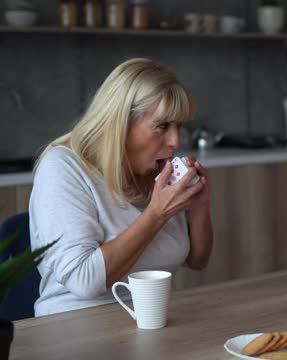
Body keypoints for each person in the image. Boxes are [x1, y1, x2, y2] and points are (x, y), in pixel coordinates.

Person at [29, 58, 213, 316]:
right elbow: (84, 281)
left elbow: (197, 260)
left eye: (179, 126)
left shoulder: (156, 171)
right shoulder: (63, 167)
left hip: (151, 322)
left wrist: (199, 207)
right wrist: (156, 214)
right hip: (73, 329)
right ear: (120, 123)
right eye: (162, 126)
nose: (174, 141)